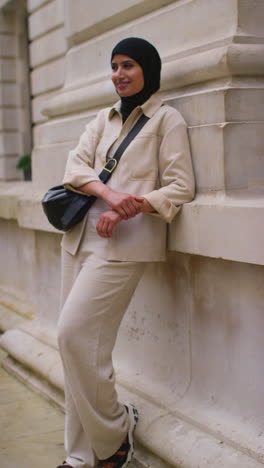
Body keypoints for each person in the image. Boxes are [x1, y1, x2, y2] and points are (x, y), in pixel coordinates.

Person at [56, 37, 195, 468]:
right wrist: (108, 194)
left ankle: (117, 430)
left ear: (148, 69)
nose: (118, 73)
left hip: (124, 246)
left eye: (128, 65)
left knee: (72, 336)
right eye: (114, 66)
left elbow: (180, 186)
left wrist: (130, 207)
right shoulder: (102, 118)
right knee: (75, 350)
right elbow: (74, 168)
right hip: (77, 239)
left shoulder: (166, 120)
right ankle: (80, 456)